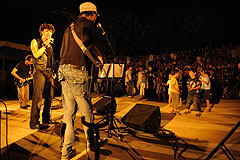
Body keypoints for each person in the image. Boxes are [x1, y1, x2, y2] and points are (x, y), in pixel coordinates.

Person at [58, 2, 103, 159]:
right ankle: (92, 143)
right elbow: (87, 42)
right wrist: (99, 57)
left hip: (63, 71)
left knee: (68, 113)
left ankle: (66, 151)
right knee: (86, 110)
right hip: (77, 71)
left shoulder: (69, 27)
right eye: (96, 15)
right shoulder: (87, 24)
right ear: (90, 14)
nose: (96, 18)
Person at [30, 23, 55, 129]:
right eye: (46, 31)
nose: (49, 33)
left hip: (49, 72)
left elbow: (50, 60)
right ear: (41, 32)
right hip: (39, 71)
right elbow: (36, 54)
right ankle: (34, 122)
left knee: (49, 97)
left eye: (50, 31)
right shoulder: (36, 41)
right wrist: (45, 45)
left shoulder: (50, 45)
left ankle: (46, 119)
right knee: (38, 97)